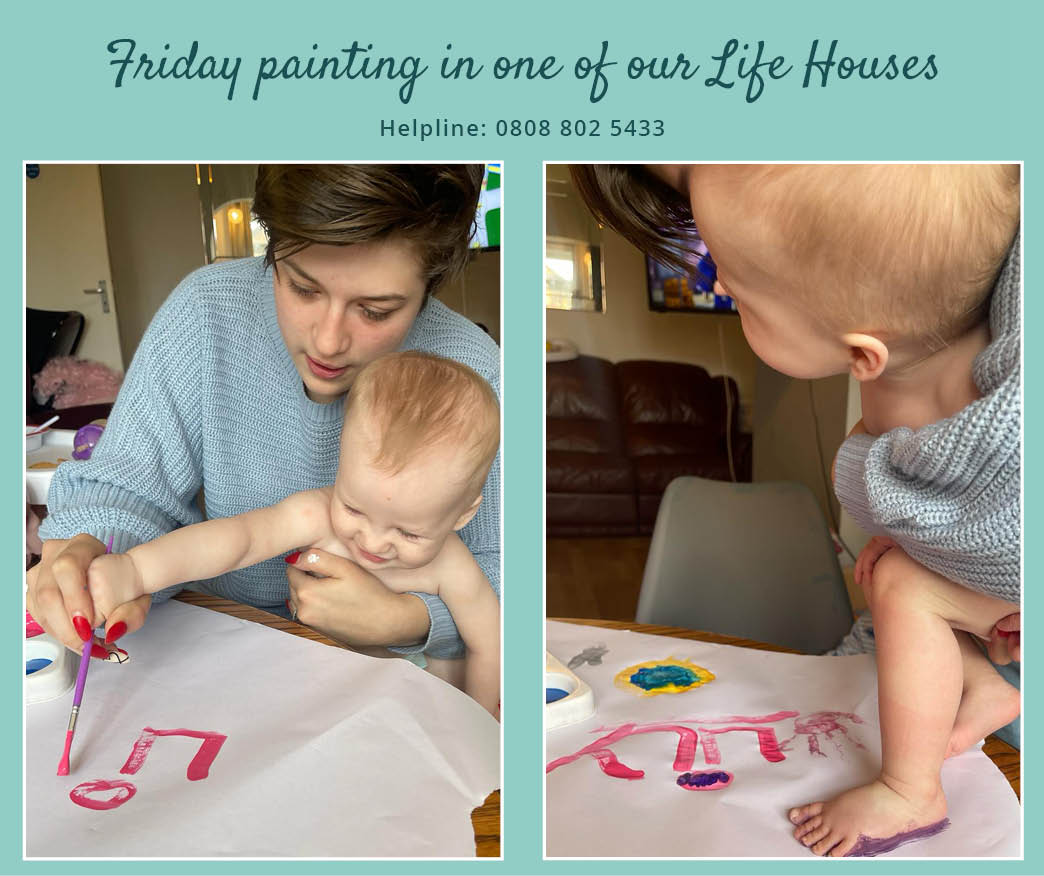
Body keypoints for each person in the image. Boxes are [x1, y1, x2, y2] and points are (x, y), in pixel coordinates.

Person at [570, 163, 1020, 856]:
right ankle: (985, 683)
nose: (717, 285)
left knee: (904, 590)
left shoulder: (1001, 417)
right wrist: (916, 541)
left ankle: (909, 792)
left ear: (860, 354)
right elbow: (944, 510)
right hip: (978, 584)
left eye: (745, 297)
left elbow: (1000, 520)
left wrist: (926, 562)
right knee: (898, 570)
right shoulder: (915, 352)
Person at [28, 164, 500, 672]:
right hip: (221, 642)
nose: (327, 341)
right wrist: (97, 555)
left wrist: (405, 620)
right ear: (272, 248)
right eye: (302, 288)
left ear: (428, 288)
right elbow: (131, 492)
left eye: (375, 311)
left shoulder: (474, 371)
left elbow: (500, 573)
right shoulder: (207, 310)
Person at [84, 352, 500, 714]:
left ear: (462, 514)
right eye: (353, 507)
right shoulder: (315, 513)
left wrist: (482, 723)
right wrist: (137, 570)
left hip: (416, 703)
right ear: (341, 462)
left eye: (409, 534)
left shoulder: (452, 565)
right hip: (318, 688)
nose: (372, 543)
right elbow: (236, 540)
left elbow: (493, 644)